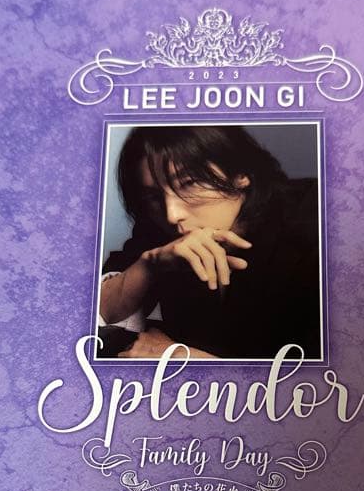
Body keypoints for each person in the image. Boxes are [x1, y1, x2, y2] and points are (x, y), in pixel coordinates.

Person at [98, 125, 322, 360]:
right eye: (153, 196)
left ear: (241, 174)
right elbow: (92, 319)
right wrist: (149, 264)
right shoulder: (156, 226)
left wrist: (185, 358)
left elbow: (329, 372)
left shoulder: (321, 222)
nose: (172, 215)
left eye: (189, 183)